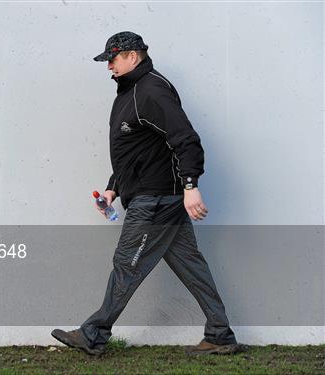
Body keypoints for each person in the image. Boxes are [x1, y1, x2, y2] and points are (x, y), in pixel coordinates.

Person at [51, 31, 245, 356]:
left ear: (132, 55)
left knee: (127, 263)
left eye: (112, 58)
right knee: (191, 266)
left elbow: (186, 139)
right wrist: (114, 188)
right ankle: (220, 334)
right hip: (153, 196)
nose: (108, 65)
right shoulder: (130, 92)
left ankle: (93, 334)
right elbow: (138, 149)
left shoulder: (151, 90)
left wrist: (190, 186)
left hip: (156, 199)